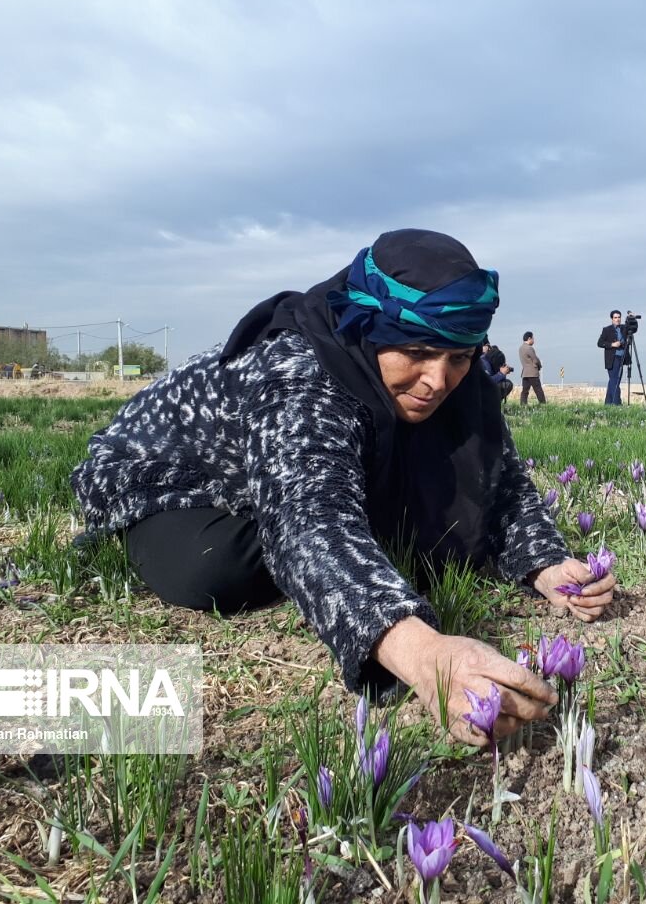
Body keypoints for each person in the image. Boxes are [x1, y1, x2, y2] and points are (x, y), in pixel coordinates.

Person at [71, 229, 616, 746]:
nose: (438, 380)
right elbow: (309, 519)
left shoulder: (458, 374)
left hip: (296, 476)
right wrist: (423, 654)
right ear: (367, 328)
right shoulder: (299, 368)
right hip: (169, 477)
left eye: (457, 357)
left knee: (395, 534)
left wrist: (546, 564)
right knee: (219, 570)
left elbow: (498, 478)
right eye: (418, 352)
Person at [596, 310, 630, 406]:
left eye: (619, 317)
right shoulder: (606, 330)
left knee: (614, 381)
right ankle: (617, 404)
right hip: (612, 359)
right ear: (612, 319)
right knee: (614, 381)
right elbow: (599, 343)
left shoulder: (624, 328)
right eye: (615, 317)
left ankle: (608, 403)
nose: (617, 319)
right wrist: (612, 344)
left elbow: (633, 328)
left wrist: (631, 318)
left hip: (622, 358)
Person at [518, 332, 546, 405]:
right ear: (529, 338)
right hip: (532, 373)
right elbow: (535, 359)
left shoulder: (520, 348)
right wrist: (539, 366)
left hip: (525, 373)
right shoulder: (529, 348)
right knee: (538, 390)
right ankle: (543, 404)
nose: (533, 340)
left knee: (525, 391)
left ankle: (523, 405)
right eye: (533, 338)